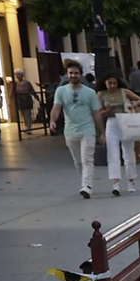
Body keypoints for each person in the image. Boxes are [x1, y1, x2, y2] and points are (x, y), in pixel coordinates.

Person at [49, 61, 101, 199]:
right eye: (71, 73)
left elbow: (96, 113)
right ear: (67, 75)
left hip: (87, 130)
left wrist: (101, 132)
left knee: (87, 159)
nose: (73, 75)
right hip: (70, 131)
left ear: (81, 75)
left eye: (76, 73)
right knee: (78, 161)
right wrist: (52, 121)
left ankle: (87, 186)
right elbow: (56, 108)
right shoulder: (61, 91)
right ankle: (85, 182)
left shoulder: (90, 93)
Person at [97, 74, 140, 195]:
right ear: (105, 83)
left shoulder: (124, 91)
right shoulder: (101, 94)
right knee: (112, 154)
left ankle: (131, 180)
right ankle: (115, 183)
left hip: (125, 122)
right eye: (110, 83)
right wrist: (108, 111)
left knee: (128, 152)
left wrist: (134, 104)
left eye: (114, 83)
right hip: (111, 123)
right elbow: (99, 112)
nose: (112, 86)